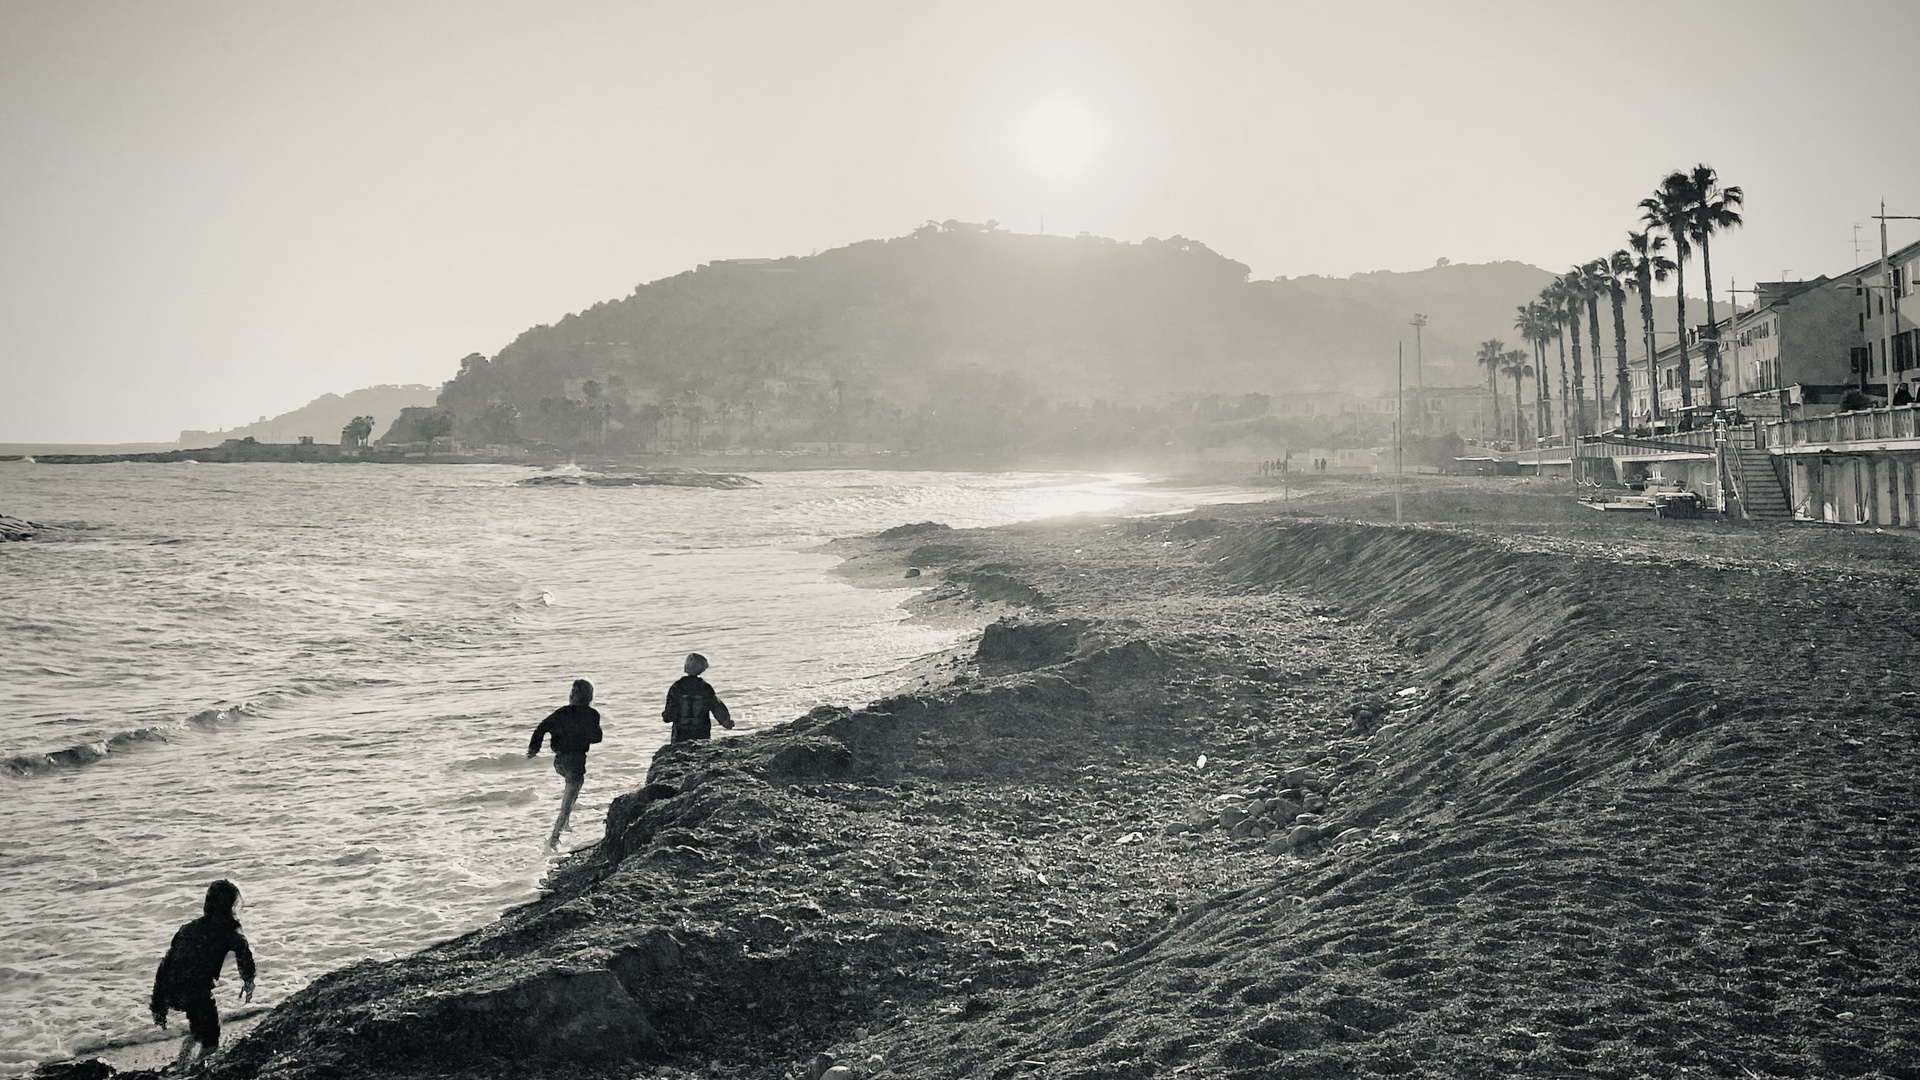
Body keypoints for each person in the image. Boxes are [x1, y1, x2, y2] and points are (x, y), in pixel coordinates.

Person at [151, 878, 256, 1071]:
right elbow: (244, 954)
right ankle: (195, 1070)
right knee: (212, 1040)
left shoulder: (188, 928)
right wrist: (248, 980)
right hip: (198, 991)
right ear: (233, 905)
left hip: (175, 989)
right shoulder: (230, 929)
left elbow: (165, 965)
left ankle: (184, 1061)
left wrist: (158, 1004)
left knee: (199, 1028)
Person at [527, 679, 603, 850]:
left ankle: (565, 822)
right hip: (576, 762)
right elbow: (597, 738)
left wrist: (533, 749)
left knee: (575, 786)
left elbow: (541, 727)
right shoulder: (592, 714)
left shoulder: (561, 713)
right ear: (590, 697)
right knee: (569, 798)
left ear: (572, 695)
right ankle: (554, 839)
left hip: (560, 761)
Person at [662, 653, 732, 743]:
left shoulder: (677, 687)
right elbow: (717, 707)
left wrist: (666, 716)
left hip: (680, 735)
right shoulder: (705, 688)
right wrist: (726, 721)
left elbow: (669, 715)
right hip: (701, 734)